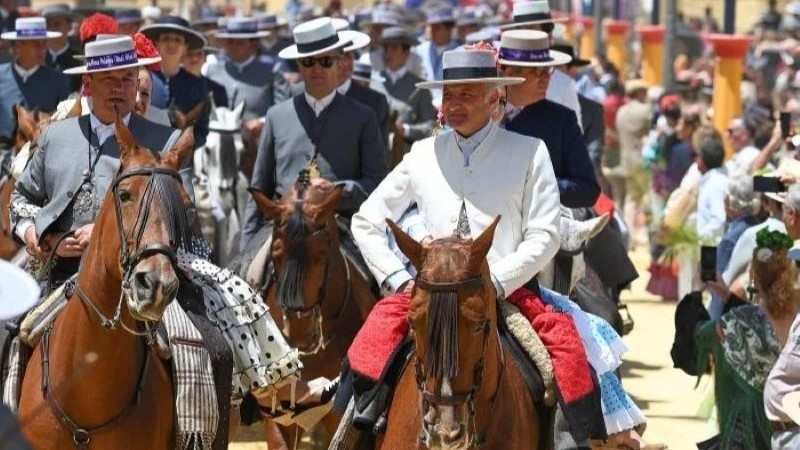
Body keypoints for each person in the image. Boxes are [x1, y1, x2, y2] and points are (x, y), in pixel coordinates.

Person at [9, 35, 191, 287]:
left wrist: (105, 231)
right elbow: (20, 200)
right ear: (88, 83)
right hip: (55, 272)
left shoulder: (166, 142)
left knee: (189, 326)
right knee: (10, 321)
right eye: (108, 79)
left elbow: (182, 215)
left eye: (127, 79)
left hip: (139, 276)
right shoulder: (54, 136)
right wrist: (34, 236)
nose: (119, 88)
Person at [242, 17, 387, 248]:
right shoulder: (276, 116)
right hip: (283, 229)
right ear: (299, 66)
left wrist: (341, 190)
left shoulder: (364, 116)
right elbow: (259, 188)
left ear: (339, 62)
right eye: (308, 62)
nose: (317, 69)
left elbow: (378, 184)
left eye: (325, 61)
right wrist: (246, 245)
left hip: (342, 229)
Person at [678, 229, 798, 450]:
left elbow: (691, 342)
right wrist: (726, 295)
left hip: (744, 439)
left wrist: (696, 292)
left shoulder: (734, 323)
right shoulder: (797, 319)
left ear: (753, 274)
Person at [499, 30, 600, 208]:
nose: (546, 79)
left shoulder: (561, 120)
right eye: (537, 72)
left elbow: (588, 189)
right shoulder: (481, 115)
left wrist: (536, 186)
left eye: (548, 70)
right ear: (509, 73)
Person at [205, 17, 277, 171]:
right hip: (217, 148)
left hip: (256, 146)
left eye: (239, 42)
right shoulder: (212, 70)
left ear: (253, 44)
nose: (233, 46)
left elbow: (282, 107)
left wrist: (262, 122)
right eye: (229, 41)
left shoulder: (271, 72)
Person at [500, 0, 581, 129]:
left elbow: (573, 134)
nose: (527, 35)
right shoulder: (497, 80)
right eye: (521, 29)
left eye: (532, 28)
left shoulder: (564, 85)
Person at [141, 16, 212, 148]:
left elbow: (202, 131)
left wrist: (182, 148)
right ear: (157, 44)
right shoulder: (142, 80)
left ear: (185, 47)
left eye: (177, 40)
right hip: (142, 159)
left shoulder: (197, 85)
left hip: (181, 163)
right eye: (166, 38)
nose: (172, 44)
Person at [0, 17, 71, 142]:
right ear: (18, 46)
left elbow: (65, 123)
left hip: (42, 153)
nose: (42, 49)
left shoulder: (59, 81)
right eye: (36, 44)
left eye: (44, 43)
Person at [379, 26, 436, 160]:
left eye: (393, 48)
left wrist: (406, 130)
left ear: (406, 52)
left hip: (405, 158)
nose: (388, 53)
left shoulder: (420, 87)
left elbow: (432, 127)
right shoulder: (373, 82)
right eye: (385, 48)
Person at [336, 26, 390, 146]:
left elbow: (379, 154)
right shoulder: (307, 95)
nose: (344, 63)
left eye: (348, 56)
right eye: (338, 57)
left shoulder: (375, 101)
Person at [615, 79, 653, 231]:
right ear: (639, 93)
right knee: (648, 197)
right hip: (643, 160)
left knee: (631, 199)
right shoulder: (646, 110)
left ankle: (627, 234)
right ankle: (651, 234)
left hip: (626, 160)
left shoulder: (621, 111)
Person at [695, 137, 729, 243]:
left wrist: (699, 237)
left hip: (711, 246)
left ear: (703, 161)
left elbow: (719, 219)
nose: (696, 160)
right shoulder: (712, 181)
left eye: (698, 157)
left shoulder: (715, 184)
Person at [41, 4, 81, 81]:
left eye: (57, 24)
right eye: (48, 25)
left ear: (69, 27)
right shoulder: (38, 59)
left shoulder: (78, 61)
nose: (51, 28)